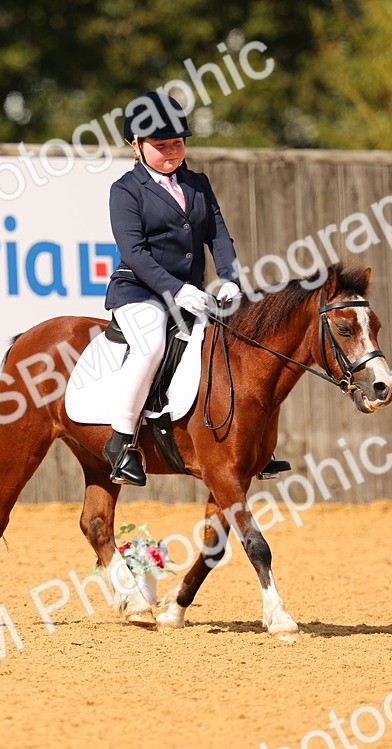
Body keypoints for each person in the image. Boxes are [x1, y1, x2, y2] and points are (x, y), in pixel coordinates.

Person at [102, 90, 289, 486]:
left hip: (194, 292)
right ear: (135, 146)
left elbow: (219, 237)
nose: (171, 151)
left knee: (237, 342)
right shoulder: (126, 190)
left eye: (178, 142)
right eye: (160, 145)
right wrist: (175, 290)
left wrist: (232, 281)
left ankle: (256, 444)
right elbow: (133, 252)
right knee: (151, 343)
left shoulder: (198, 183)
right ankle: (121, 443)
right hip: (140, 292)